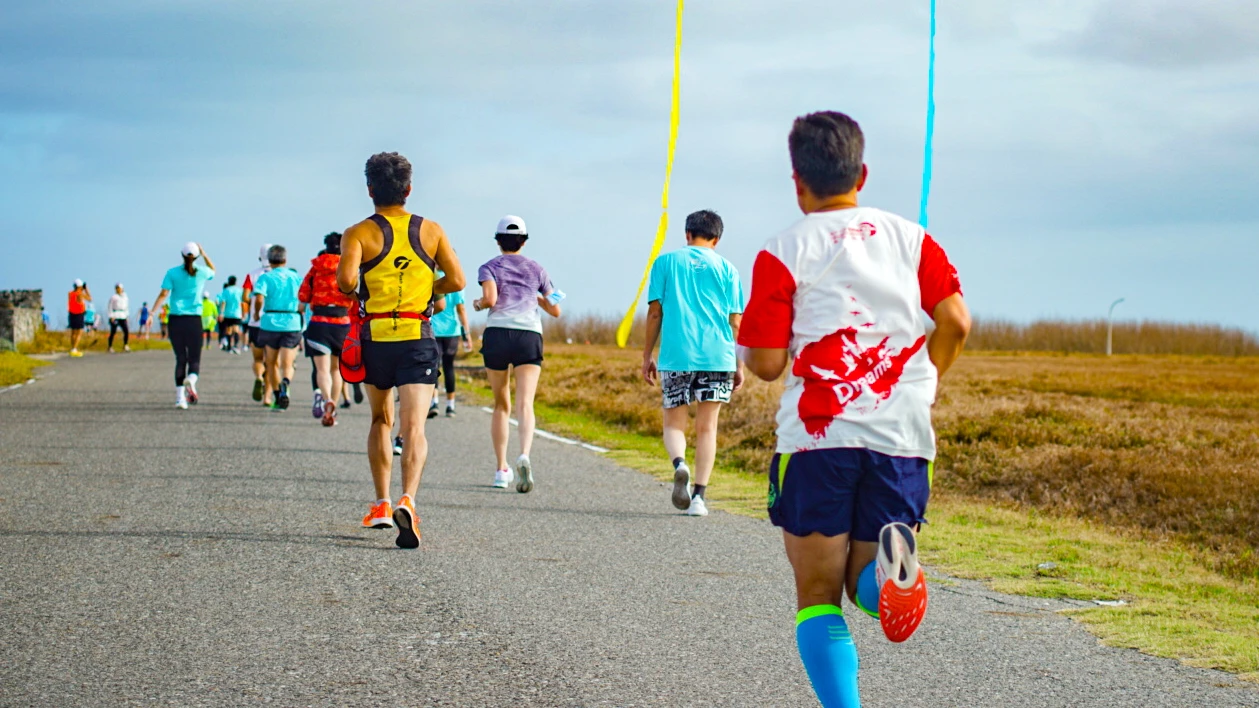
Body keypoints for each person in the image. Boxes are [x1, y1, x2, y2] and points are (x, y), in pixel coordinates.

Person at [737, 111, 970, 707]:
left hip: (819, 438)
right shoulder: (910, 238)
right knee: (866, 581)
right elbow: (956, 321)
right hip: (901, 433)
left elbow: (765, 363)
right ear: (861, 172)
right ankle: (892, 576)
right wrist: (921, 384)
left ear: (797, 181)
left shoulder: (782, 250)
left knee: (818, 593)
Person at [337, 151, 464, 549]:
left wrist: (365, 290)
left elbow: (344, 282)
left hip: (376, 337)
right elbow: (456, 279)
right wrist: (427, 290)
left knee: (380, 421)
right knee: (415, 428)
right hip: (418, 337)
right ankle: (408, 498)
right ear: (408, 190)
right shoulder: (433, 230)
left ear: (370, 189)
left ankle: (381, 504)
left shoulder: (357, 233)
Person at [641, 210, 744, 518]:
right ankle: (699, 497)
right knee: (707, 428)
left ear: (687, 234)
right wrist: (740, 363)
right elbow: (736, 321)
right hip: (718, 355)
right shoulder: (728, 269)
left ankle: (679, 464)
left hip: (676, 355)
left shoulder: (665, 263)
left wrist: (647, 354)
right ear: (717, 239)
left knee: (674, 423)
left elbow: (655, 313)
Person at [473, 215, 562, 492]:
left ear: (498, 241)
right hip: (528, 335)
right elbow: (556, 308)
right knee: (526, 403)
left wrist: (477, 305)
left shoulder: (489, 267)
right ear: (523, 241)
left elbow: (489, 299)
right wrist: (535, 297)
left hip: (498, 333)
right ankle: (524, 454)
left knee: (501, 404)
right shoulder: (537, 269)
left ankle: (501, 470)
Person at [149, 242, 216, 409]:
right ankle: (192, 379)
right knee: (194, 358)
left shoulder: (172, 273)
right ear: (197, 256)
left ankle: (180, 399)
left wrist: (152, 313)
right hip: (194, 320)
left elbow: (164, 293)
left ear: (182, 255)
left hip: (175, 319)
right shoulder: (202, 272)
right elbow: (213, 270)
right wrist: (204, 253)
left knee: (180, 358)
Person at [299, 232, 354, 426]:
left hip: (319, 322)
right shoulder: (349, 268)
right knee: (336, 370)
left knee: (321, 370)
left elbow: (303, 295)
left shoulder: (315, 268)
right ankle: (335, 407)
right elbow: (356, 294)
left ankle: (327, 398)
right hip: (341, 323)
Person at [251, 245, 304, 410]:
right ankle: (286, 383)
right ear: (285, 259)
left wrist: (257, 313)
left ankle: (276, 394)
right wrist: (300, 310)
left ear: (269, 260)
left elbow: (259, 298)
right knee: (287, 363)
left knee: (271, 362)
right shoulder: (296, 277)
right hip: (291, 321)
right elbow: (304, 298)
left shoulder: (265, 278)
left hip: (270, 322)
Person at [429, 270, 471, 418]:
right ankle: (450, 406)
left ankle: (433, 402)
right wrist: (467, 334)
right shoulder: (455, 279)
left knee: (433, 366)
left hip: (433, 330)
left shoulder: (432, 276)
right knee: (449, 368)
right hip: (452, 331)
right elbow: (461, 309)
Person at [241, 245, 273, 401]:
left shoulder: (252, 275)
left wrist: (253, 303)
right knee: (272, 362)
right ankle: (267, 396)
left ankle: (259, 376)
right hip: (274, 323)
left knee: (258, 359)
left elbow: (245, 296)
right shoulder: (280, 274)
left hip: (256, 323)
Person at [217, 276, 245, 352]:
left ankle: (229, 346)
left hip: (227, 313)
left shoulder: (226, 290)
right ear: (236, 282)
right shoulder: (239, 291)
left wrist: (221, 313)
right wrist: (243, 313)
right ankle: (235, 346)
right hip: (237, 313)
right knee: (236, 330)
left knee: (228, 330)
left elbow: (223, 302)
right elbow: (242, 303)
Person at [66, 280, 90, 357]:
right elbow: (90, 298)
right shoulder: (80, 294)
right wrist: (86, 289)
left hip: (71, 314)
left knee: (73, 332)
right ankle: (74, 349)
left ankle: (72, 348)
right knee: (79, 333)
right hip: (79, 314)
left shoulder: (70, 293)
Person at [106, 283, 131, 353]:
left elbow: (126, 307)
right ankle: (110, 346)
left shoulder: (125, 297)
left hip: (123, 316)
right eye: (117, 288)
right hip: (115, 315)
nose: (118, 289)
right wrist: (111, 316)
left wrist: (126, 316)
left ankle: (125, 345)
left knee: (126, 330)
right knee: (113, 331)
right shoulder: (113, 297)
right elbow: (110, 307)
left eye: (119, 288)